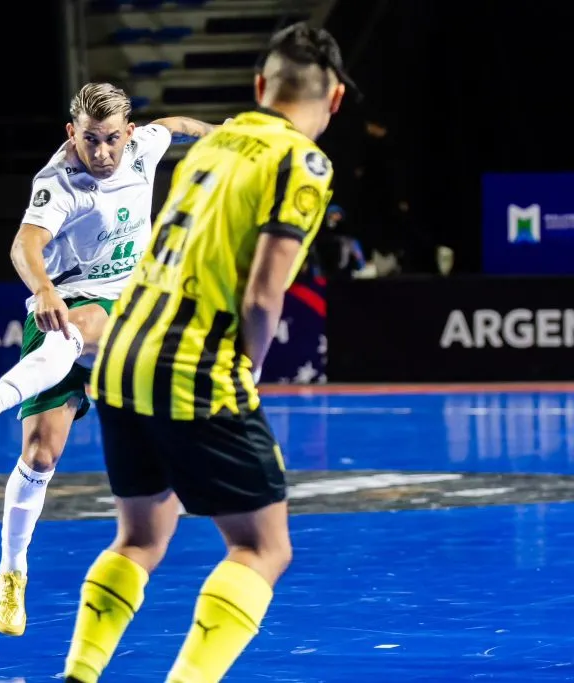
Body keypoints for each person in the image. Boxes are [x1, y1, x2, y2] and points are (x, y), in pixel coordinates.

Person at [61, 23, 352, 683]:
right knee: (262, 546)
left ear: (258, 86)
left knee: (140, 537)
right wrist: (243, 372)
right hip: (191, 362)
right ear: (333, 101)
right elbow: (262, 294)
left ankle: (78, 673)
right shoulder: (302, 161)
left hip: (121, 351)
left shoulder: (213, 143)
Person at [0, 82, 216, 636]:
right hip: (61, 300)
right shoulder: (58, 181)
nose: (103, 153)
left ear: (129, 134)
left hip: (124, 304)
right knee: (39, 456)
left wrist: (230, 139)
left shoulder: (144, 146)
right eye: (90, 141)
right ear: (72, 134)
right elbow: (23, 245)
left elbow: (179, 126)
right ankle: (11, 574)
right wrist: (43, 290)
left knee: (91, 329)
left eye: (111, 140)